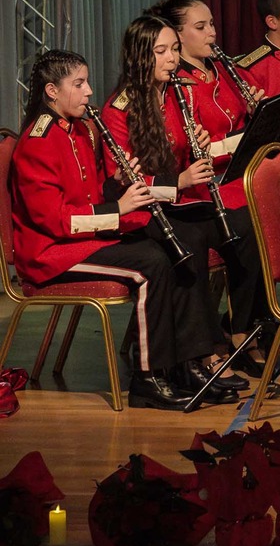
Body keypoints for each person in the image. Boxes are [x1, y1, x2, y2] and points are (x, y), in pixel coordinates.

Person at [10, 49, 220, 410]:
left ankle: (183, 364)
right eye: (79, 84)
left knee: (175, 246)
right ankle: (148, 378)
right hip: (50, 253)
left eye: (87, 82)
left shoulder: (80, 129)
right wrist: (117, 209)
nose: (90, 91)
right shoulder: (38, 142)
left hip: (83, 238)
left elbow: (90, 191)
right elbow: (56, 221)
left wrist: (118, 182)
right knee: (151, 263)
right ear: (52, 91)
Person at [153, 0, 267, 339]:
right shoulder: (176, 85)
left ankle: (257, 322)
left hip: (238, 176)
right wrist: (245, 137)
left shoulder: (227, 70)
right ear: (177, 36)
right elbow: (191, 152)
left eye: (212, 24)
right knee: (253, 224)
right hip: (204, 185)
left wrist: (257, 113)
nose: (212, 33)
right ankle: (243, 330)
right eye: (201, 27)